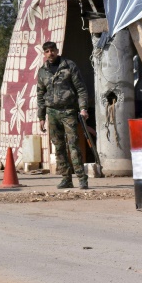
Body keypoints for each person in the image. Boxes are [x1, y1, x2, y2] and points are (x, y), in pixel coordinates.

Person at [36, 41, 90, 190]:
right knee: (58, 147)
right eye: (47, 51)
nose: (50, 53)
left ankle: (82, 178)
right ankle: (66, 178)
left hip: (68, 111)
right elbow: (40, 95)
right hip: (52, 112)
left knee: (73, 145)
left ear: (57, 50)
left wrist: (83, 108)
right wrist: (41, 117)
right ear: (44, 53)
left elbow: (81, 89)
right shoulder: (42, 71)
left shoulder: (69, 66)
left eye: (52, 50)